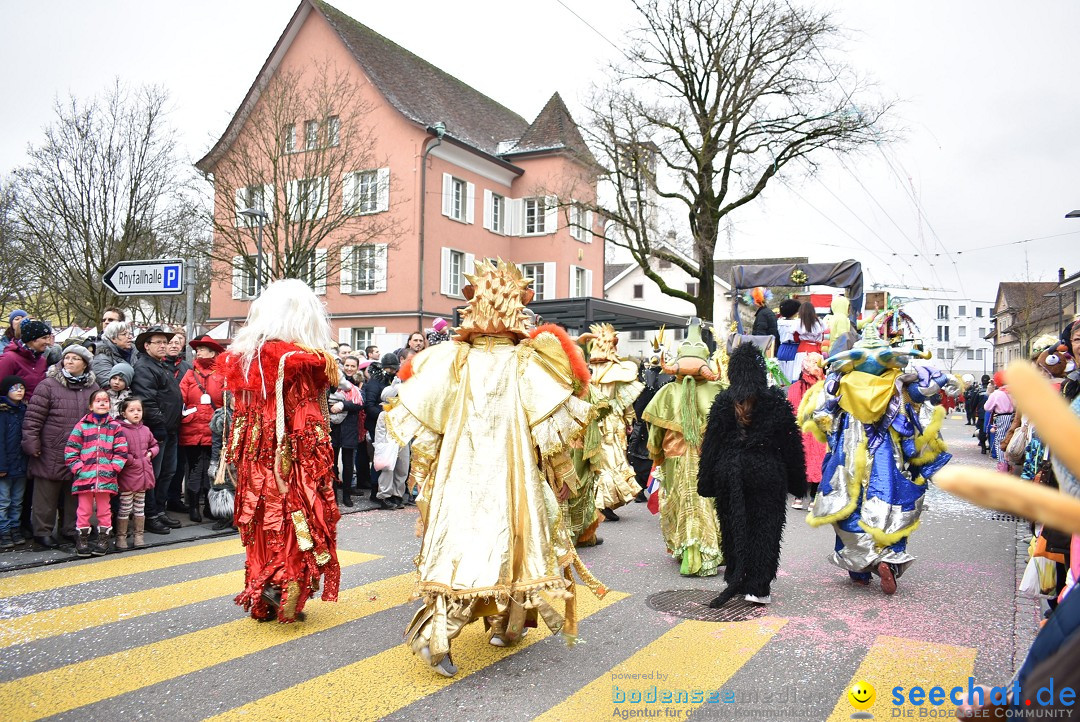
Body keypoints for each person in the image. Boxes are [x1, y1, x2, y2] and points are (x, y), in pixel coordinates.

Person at [386, 259, 605, 677]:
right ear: (515, 311)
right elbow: (550, 427)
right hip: (511, 474)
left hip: (460, 475)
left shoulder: (449, 359)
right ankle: (500, 625)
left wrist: (425, 473)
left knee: (460, 544)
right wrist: (561, 473)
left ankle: (453, 632)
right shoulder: (524, 361)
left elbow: (428, 427)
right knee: (512, 542)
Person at [218, 279, 341, 624]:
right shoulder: (304, 360)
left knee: (263, 521)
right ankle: (286, 585)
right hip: (293, 455)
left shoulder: (244, 359)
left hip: (255, 456)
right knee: (296, 516)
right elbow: (310, 413)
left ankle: (264, 589)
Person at [798, 325, 952, 594]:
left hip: (850, 459)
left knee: (848, 505)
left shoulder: (839, 385)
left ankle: (859, 569)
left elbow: (821, 421)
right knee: (892, 503)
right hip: (888, 458)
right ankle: (889, 559)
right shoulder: (897, 384)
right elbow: (922, 412)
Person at [698, 344, 806, 605]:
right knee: (765, 528)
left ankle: (738, 577)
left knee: (733, 525)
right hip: (767, 472)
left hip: (730, 472)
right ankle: (758, 587)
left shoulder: (724, 402)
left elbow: (711, 445)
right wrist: (798, 482)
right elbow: (791, 444)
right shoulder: (776, 401)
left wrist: (707, 482)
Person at [641, 320, 725, 577]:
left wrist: (656, 455)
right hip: (709, 458)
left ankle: (686, 550)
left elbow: (655, 433)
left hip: (674, 457)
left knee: (680, 501)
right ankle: (707, 549)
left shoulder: (667, 392)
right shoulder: (719, 390)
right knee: (708, 503)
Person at [23, 344, 99, 549]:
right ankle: (42, 532)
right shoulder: (48, 385)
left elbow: (99, 417)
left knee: (74, 493)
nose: (69, 362)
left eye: (75, 358)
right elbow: (33, 418)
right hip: (50, 448)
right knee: (46, 494)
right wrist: (32, 443)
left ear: (85, 364)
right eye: (67, 358)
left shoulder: (93, 388)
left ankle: (71, 529)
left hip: (81, 450)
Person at [579, 323, 643, 522]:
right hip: (608, 421)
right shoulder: (615, 370)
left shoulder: (589, 370)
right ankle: (601, 504)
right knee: (609, 461)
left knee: (605, 461)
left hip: (599, 421)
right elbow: (623, 400)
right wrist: (628, 418)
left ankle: (602, 503)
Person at [131, 326, 183, 535]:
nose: (164, 346)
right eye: (158, 342)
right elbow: (147, 401)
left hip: (169, 429)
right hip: (156, 431)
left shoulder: (160, 366)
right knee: (154, 474)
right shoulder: (145, 367)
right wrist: (160, 425)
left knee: (167, 473)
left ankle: (159, 510)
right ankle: (151, 514)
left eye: (165, 342)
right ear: (146, 345)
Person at [65, 389, 128, 557]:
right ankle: (82, 539)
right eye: (98, 401)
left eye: (105, 401)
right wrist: (78, 468)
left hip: (106, 478)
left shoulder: (115, 427)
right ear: (90, 405)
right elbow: (71, 449)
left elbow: (121, 450)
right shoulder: (82, 426)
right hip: (85, 477)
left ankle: (103, 539)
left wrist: (114, 468)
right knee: (83, 510)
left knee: (104, 510)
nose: (102, 403)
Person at [178, 336, 226, 522]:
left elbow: (226, 401)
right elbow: (180, 398)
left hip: (214, 430)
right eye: (198, 349)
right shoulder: (190, 375)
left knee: (211, 469)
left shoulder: (222, 375)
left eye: (203, 349)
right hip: (192, 429)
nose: (199, 352)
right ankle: (193, 507)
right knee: (195, 469)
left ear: (213, 352)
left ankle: (208, 505)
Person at [786, 353, 827, 510]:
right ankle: (813, 498)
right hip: (819, 429)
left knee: (802, 460)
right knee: (819, 460)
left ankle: (799, 497)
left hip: (802, 429)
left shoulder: (796, 388)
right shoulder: (825, 386)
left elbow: (792, 410)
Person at [115, 397, 157, 550]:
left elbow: (154, 444)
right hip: (128, 476)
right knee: (125, 507)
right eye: (131, 410)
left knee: (140, 506)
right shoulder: (120, 430)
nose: (136, 413)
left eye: (139, 410)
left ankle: (139, 535)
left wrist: (151, 453)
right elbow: (119, 450)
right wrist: (131, 460)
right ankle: (121, 536)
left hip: (143, 475)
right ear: (123, 413)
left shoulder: (146, 430)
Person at [328, 369, 364, 508]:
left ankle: (347, 495)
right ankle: (333, 496)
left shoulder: (353, 388)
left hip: (349, 429)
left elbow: (360, 404)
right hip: (333, 428)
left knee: (348, 465)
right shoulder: (327, 388)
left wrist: (343, 405)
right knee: (332, 464)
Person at [0, 375, 28, 548]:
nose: (19, 390)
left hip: (21, 465)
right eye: (14, 387)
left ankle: (15, 527)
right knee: (4, 500)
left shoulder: (24, 410)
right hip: (6, 465)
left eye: (22, 388)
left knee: (17, 500)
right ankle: (4, 530)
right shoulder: (2, 412)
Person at [373, 383, 409, 509]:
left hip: (403, 443)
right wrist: (381, 448)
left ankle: (397, 495)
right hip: (389, 445)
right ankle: (384, 496)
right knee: (388, 470)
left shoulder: (406, 413)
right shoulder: (384, 414)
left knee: (402, 469)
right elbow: (380, 433)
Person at [0, 319, 51, 399]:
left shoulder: (42, 360)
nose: (48, 342)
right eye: (44, 338)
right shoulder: (9, 359)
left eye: (49, 338)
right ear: (32, 339)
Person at [92, 321, 135, 386]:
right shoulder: (101, 357)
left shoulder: (135, 352)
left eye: (130, 334)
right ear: (113, 338)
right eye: (124, 334)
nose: (130, 337)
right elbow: (109, 385)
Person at [774, 299, 801, 383]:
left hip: (782, 348)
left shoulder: (779, 322)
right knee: (793, 374)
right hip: (795, 349)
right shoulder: (798, 323)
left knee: (782, 375)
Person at [749, 287, 779, 351]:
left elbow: (760, 336)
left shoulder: (762, 314)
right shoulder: (768, 312)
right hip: (771, 346)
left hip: (765, 349)